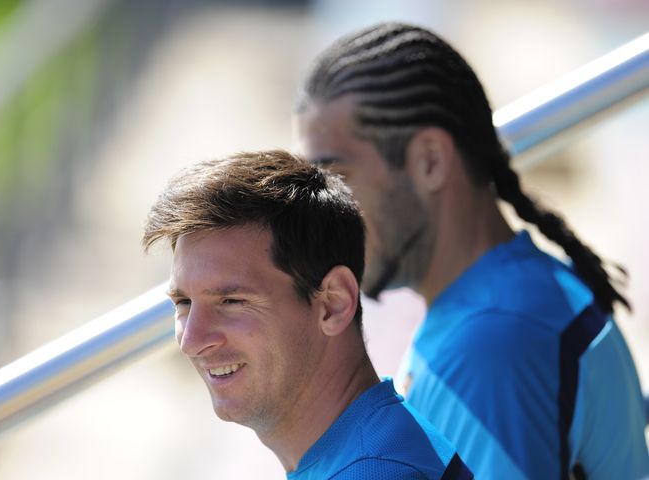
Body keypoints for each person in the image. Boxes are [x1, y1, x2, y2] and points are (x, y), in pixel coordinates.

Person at [293, 22, 649, 479]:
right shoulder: (512, 300)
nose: (322, 217)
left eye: (337, 179)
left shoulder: (492, 345)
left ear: (430, 162)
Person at [143, 150, 472, 479]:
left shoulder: (376, 471)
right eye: (183, 302)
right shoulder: (375, 448)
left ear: (333, 303)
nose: (191, 341)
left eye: (231, 300)